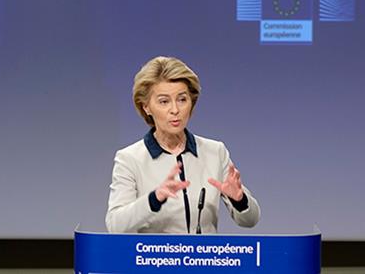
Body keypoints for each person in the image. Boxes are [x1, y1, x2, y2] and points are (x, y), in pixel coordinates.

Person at [106, 56, 259, 233]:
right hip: (156, 252)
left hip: (206, 252)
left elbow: (251, 220)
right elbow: (115, 225)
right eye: (164, 101)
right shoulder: (129, 159)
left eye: (182, 99)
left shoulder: (215, 152)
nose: (175, 110)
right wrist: (154, 199)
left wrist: (239, 200)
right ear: (146, 107)